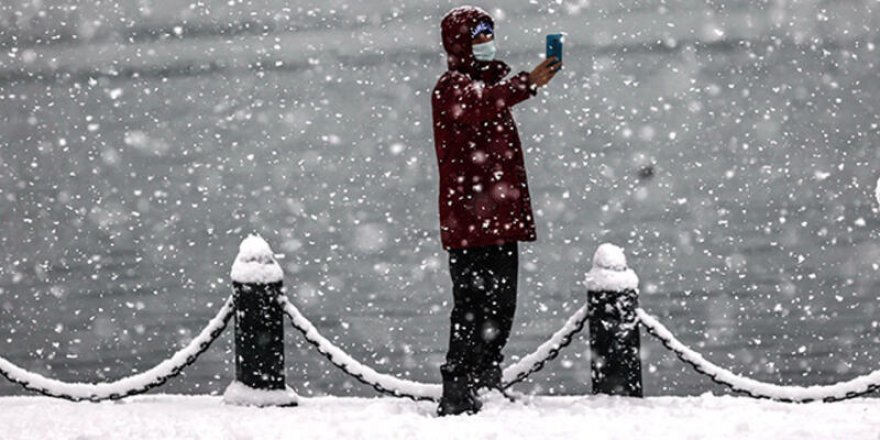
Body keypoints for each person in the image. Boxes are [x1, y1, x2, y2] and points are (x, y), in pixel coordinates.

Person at [431, 6, 560, 416]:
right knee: (470, 306)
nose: (487, 44)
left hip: (502, 220)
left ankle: (487, 380)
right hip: (469, 222)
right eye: (478, 37)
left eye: (489, 35)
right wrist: (528, 82)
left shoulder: (490, 84)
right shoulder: (451, 87)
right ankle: (458, 389)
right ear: (460, 43)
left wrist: (520, 83)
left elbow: (490, 98)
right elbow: (479, 105)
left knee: (502, 306)